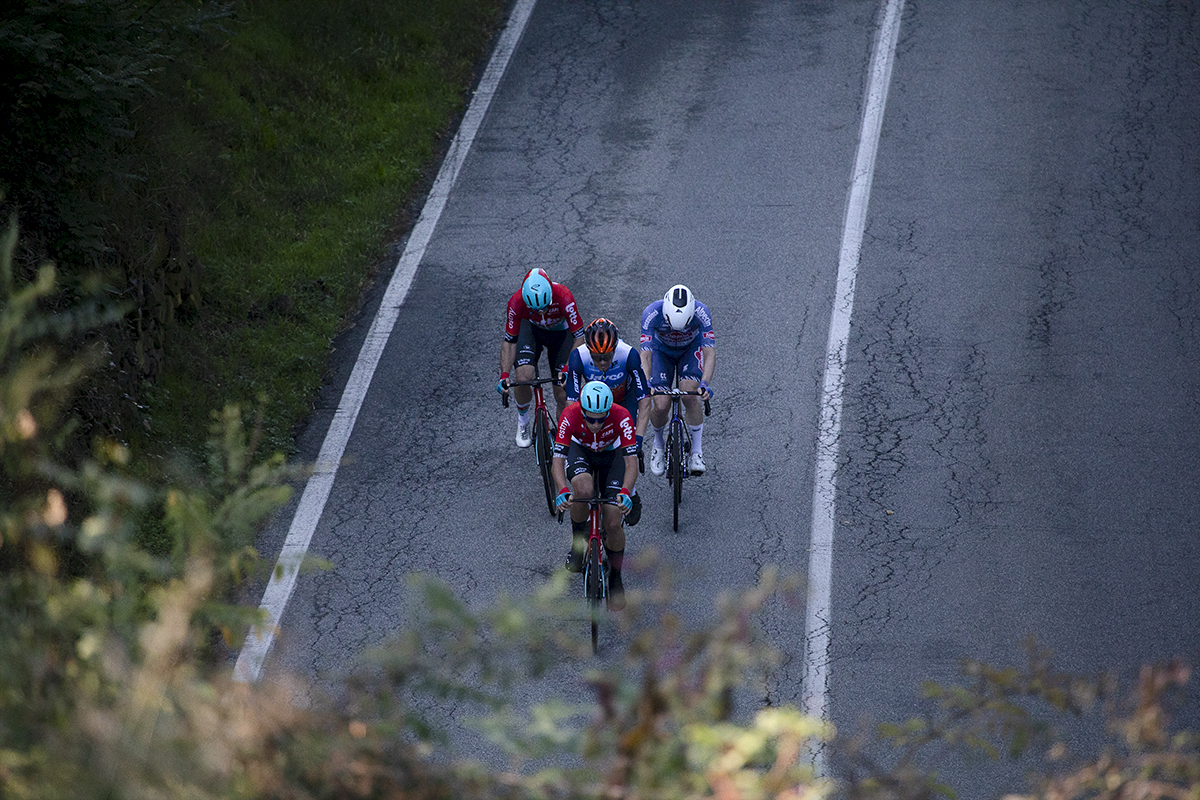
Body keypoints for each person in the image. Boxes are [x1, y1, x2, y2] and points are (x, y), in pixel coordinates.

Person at [552, 381, 637, 610]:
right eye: (590, 419)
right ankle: (578, 544)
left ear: (609, 411)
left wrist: (626, 492)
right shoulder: (569, 415)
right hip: (581, 451)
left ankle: (616, 577)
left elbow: (631, 462)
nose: (596, 424)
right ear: (582, 411)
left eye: (601, 419)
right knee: (582, 490)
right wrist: (562, 490)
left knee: (613, 521)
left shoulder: (622, 415)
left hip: (612, 456)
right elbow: (558, 460)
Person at [563, 317, 651, 525]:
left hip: (623, 402)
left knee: (626, 449)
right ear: (589, 351)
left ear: (615, 349)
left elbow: (645, 401)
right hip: (594, 404)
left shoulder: (628, 355)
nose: (603, 362)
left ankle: (630, 491)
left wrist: (638, 438)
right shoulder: (578, 356)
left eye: (607, 357)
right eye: (597, 358)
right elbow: (571, 403)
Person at [497, 268, 584, 447]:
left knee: (562, 391)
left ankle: (563, 436)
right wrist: (504, 375)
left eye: (546, 307)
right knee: (522, 378)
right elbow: (510, 342)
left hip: (561, 335)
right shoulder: (516, 302)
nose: (542, 312)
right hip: (532, 331)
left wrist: (567, 368)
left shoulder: (564, 296)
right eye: (537, 309)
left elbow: (579, 338)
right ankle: (523, 420)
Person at [639, 284, 715, 475]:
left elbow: (709, 352)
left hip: (690, 349)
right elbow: (645, 355)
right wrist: (646, 383)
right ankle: (658, 445)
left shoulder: (701, 312)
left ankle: (696, 451)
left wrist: (705, 384)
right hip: (661, 351)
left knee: (689, 396)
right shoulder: (651, 313)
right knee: (661, 404)